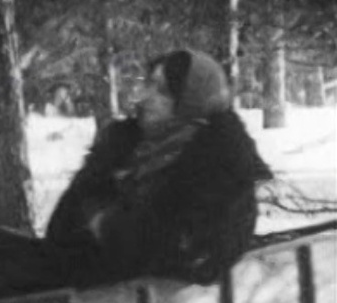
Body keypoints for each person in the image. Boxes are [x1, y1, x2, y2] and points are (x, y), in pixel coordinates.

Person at [43, 48, 273, 288]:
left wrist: (105, 223)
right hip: (87, 284)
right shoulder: (124, 147)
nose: (146, 97)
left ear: (190, 103)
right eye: (149, 85)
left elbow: (178, 252)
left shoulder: (220, 166)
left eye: (162, 91)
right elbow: (61, 232)